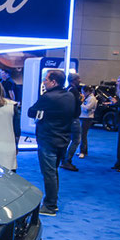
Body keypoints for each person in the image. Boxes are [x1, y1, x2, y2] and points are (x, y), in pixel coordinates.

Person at [27, 69, 76, 217]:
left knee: (49, 174)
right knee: (53, 172)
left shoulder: (48, 97)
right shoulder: (70, 96)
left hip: (48, 138)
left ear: (53, 82)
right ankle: (51, 202)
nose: (44, 82)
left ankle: (50, 205)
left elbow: (31, 112)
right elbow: (75, 114)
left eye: (46, 80)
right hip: (64, 139)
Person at [61, 73, 83, 172]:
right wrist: (81, 99)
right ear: (74, 80)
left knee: (67, 140)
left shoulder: (67, 89)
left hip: (67, 119)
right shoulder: (74, 91)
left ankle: (64, 159)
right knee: (76, 140)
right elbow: (76, 103)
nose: (80, 80)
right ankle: (67, 160)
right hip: (73, 119)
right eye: (78, 78)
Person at [78, 85, 97, 159]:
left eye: (83, 92)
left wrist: (81, 104)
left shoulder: (92, 99)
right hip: (83, 117)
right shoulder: (88, 97)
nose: (82, 94)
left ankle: (82, 151)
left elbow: (87, 108)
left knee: (83, 135)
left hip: (87, 118)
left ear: (87, 92)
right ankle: (84, 151)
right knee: (83, 135)